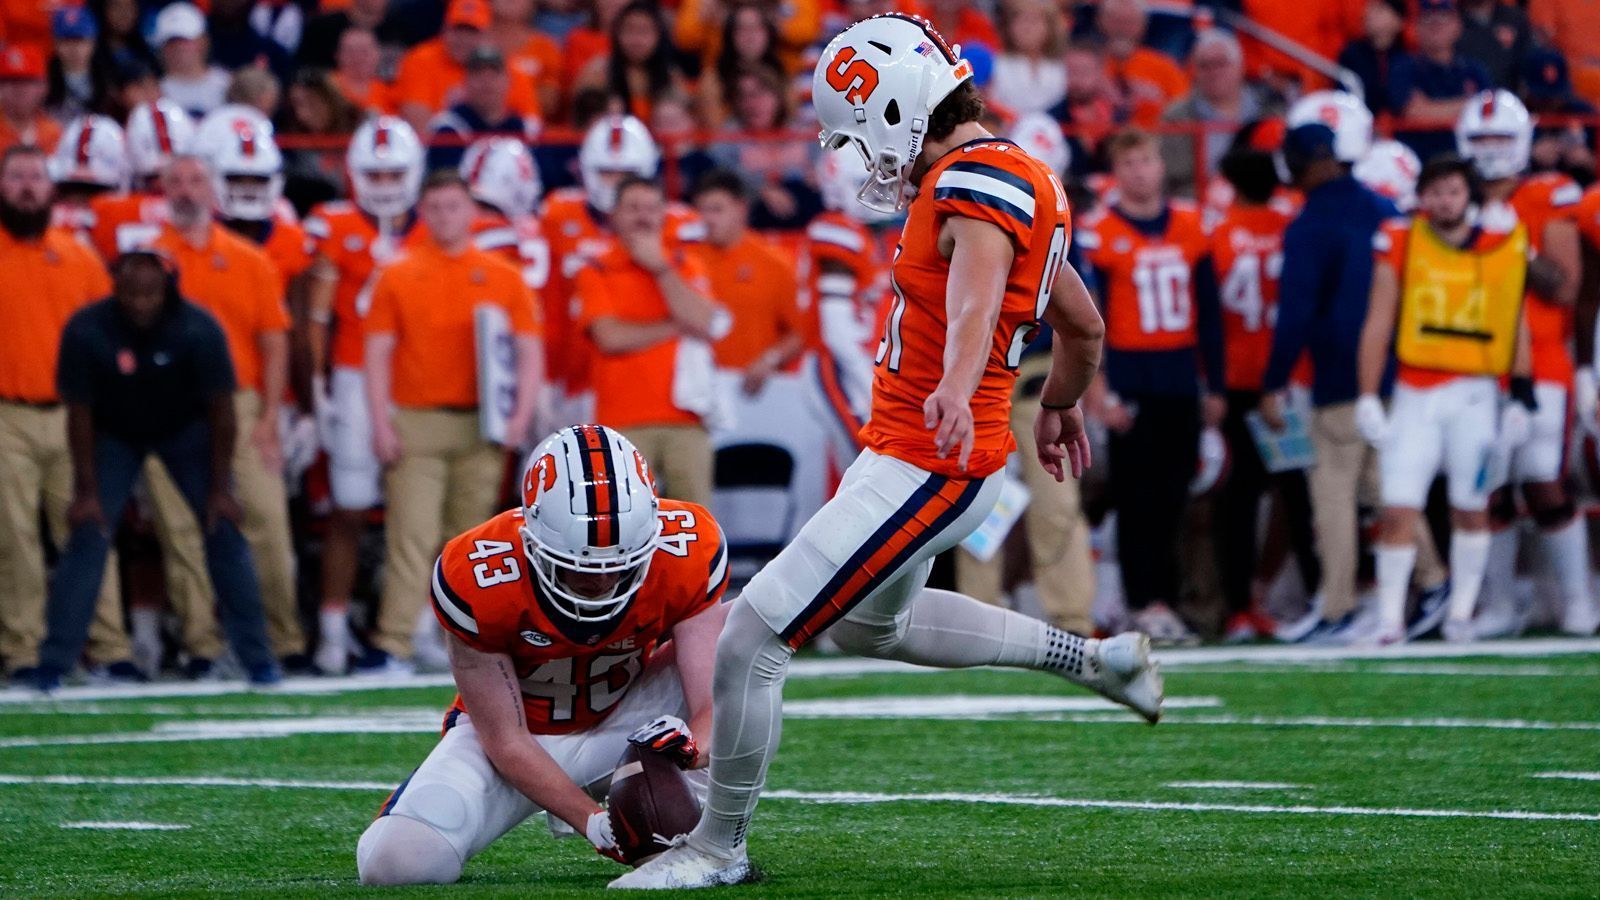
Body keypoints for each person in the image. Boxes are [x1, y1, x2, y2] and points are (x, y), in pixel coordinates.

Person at [614, 14, 1161, 889]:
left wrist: (957, 378)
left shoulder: (979, 178)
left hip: (930, 458)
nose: (863, 156)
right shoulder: (1019, 173)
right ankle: (1096, 660)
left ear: (904, 103)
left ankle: (719, 847)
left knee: (752, 635)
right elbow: (1083, 324)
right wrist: (1058, 401)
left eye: (861, 130)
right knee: (877, 626)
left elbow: (980, 296)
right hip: (928, 454)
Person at [354, 426, 729, 885]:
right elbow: (505, 740)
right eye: (579, 566)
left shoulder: (687, 548)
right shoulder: (479, 573)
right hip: (518, 736)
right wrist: (592, 821)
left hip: (631, 713)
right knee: (397, 865)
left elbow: (712, 702)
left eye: (622, 562)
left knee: (746, 638)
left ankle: (717, 838)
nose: (602, 582)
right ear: (532, 534)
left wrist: (690, 750)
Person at [31, 244, 279, 691]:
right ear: (116, 289)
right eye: (132, 295)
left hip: (186, 431)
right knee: (87, 533)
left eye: (150, 294)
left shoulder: (199, 328)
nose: (141, 304)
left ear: (167, 290)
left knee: (223, 528)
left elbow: (221, 409)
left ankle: (258, 658)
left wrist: (222, 487)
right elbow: (80, 413)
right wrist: (87, 491)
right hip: (113, 434)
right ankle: (54, 662)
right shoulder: (87, 329)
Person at [1259, 92, 1449, 644]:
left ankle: (1338, 604)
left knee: (1334, 492)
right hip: (1399, 370)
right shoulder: (1386, 211)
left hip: (1343, 377)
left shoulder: (1311, 223)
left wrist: (1274, 380)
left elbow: (1295, 314)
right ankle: (1434, 580)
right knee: (1386, 484)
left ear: (1314, 161)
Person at [363, 170, 543, 673]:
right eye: (435, 207)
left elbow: (528, 351)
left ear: (472, 212)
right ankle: (394, 640)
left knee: (470, 544)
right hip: (418, 418)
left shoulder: (503, 275)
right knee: (413, 535)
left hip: (480, 423)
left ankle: (462, 644)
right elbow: (376, 353)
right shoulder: (398, 274)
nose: (445, 217)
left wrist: (520, 418)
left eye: (454, 206)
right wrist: (380, 422)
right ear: (422, 213)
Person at [1359, 155, 1538, 645]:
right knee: (1398, 507)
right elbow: (1378, 320)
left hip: (1475, 395)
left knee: (1471, 506)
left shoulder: (1499, 243)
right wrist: (1368, 393)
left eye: (1453, 191)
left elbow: (1512, 320)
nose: (1444, 201)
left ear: (1470, 196)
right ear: (1421, 197)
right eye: (1435, 191)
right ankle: (1391, 619)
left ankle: (1460, 613)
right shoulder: (1401, 240)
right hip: (1416, 390)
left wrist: (1522, 392)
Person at [133, 154, 298, 676]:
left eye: (196, 179)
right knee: (181, 529)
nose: (186, 190)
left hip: (241, 403)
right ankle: (201, 646)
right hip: (166, 406)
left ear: (214, 189)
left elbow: (273, 341)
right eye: (175, 180)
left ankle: (281, 639)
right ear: (161, 189)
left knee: (266, 520)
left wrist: (272, 415)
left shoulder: (250, 259)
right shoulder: (145, 262)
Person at [1455, 91, 1595, 640]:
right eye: (1482, 140)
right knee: (1485, 487)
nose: (1491, 152)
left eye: (1500, 139)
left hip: (1540, 363)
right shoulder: (1448, 197)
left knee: (1542, 481)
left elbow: (1564, 288)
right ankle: (1500, 604)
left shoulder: (1547, 196)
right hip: (1471, 364)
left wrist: (1510, 243)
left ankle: (1579, 602)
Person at [0, 145, 136, 685]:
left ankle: (109, 647)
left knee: (90, 532)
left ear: (52, 188)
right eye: (17, 177)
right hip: (7, 412)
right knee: (14, 537)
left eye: (36, 176)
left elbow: (110, 335)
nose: (28, 186)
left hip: (78, 418)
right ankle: (24, 648)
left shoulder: (78, 255)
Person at [1078, 128, 1218, 645]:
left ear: (1162, 165)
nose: (1140, 171)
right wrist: (1100, 386)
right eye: (1130, 162)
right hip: (1131, 374)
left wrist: (1215, 385)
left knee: (1176, 495)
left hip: (1180, 375)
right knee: (1137, 498)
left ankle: (1164, 599)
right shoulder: (1099, 232)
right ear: (1117, 172)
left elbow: (1210, 314)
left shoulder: (1191, 225)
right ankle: (1142, 602)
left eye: (1147, 160)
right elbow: (1092, 318)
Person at [303, 116, 424, 675]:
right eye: (374, 171)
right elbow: (317, 318)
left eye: (394, 170)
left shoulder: (434, 226)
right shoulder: (336, 225)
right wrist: (318, 389)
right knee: (349, 510)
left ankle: (421, 624)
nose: (383, 181)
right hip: (354, 380)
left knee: (416, 516)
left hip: (418, 384)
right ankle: (331, 626)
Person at [1206, 126, 1321, 642]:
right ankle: (1323, 596)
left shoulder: (1217, 233)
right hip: (1289, 377)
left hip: (1236, 379)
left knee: (1240, 498)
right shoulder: (1295, 225)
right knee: (1300, 495)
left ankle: (1239, 607)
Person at [539, 114, 703, 433]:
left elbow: (706, 309)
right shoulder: (560, 215)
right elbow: (551, 304)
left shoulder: (680, 226)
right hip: (576, 378)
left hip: (659, 385)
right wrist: (547, 376)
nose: (615, 182)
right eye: (607, 172)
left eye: (626, 173)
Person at [575, 176, 726, 507]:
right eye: (632, 208)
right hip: (621, 423)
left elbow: (705, 322)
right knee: (623, 523)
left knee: (696, 523)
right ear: (613, 215)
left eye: (651, 208)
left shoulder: (684, 264)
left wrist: (660, 269)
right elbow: (610, 337)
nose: (643, 217)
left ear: (663, 215)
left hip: (686, 418)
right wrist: (676, 325)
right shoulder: (596, 269)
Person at [803, 146, 887, 469]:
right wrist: (873, 386)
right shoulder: (836, 230)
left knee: (870, 471)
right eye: (867, 183)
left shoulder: (859, 232)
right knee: (868, 468)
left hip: (853, 364)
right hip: (836, 365)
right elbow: (836, 330)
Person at [691, 169, 805, 397]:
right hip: (699, 390)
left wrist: (769, 360)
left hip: (759, 391)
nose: (708, 219)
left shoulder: (774, 263)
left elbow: (799, 332)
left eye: (717, 209)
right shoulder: (686, 260)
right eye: (702, 210)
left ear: (741, 208)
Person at [392, 0, 540, 134]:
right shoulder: (420, 60)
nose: (463, 40)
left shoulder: (505, 68)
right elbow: (419, 129)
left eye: (472, 32)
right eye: (458, 30)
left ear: (487, 35)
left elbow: (532, 128)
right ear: (444, 30)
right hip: (442, 152)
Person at [1159, 29, 1262, 197]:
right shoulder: (1176, 117)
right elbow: (1172, 178)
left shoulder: (1268, 109)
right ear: (1195, 72)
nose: (1213, 72)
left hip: (1258, 205)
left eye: (1221, 63)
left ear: (1240, 66)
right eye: (1204, 65)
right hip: (1198, 206)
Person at [1389, 0, 1491, 162]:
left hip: (1467, 159)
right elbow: (1415, 113)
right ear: (1416, 27)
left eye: (1444, 20)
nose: (1436, 26)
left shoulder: (1474, 70)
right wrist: (1469, 104)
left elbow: (1487, 113)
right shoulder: (1403, 67)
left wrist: (1431, 108)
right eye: (1428, 20)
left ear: (1458, 26)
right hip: (1418, 158)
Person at [573, 1, 689, 124]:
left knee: (669, 113)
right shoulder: (598, 71)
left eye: (644, 31)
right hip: (612, 140)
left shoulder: (671, 74)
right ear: (617, 34)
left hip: (657, 141)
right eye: (630, 30)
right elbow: (581, 120)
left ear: (659, 36)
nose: (636, 39)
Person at [425, 46, 536, 172]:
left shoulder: (526, 128)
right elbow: (443, 181)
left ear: (509, 81)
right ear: (465, 82)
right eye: (478, 73)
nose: (486, 81)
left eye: (494, 74)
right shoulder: (448, 127)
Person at [1097, 0, 1188, 127]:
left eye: (1129, 22)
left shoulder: (1164, 67)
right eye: (1116, 20)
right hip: (1099, 139)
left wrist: (1157, 98)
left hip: (1151, 140)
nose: (1122, 28)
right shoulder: (1087, 64)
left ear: (1142, 26)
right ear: (1101, 22)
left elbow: (1185, 111)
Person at [987, 0, 1066, 118]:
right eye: (1020, 21)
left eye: (1034, 21)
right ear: (1009, 27)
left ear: (1050, 28)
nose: (1027, 28)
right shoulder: (996, 64)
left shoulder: (1060, 68)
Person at [152, 2, 231, 118]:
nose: (179, 48)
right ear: (162, 49)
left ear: (203, 41)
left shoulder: (226, 84)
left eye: (185, 41)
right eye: (172, 42)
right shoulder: (155, 92)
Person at [1339, 0, 1411, 117]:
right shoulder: (1351, 55)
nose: (1368, 14)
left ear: (1399, 20)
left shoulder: (1409, 57)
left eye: (1379, 9)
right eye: (1369, 8)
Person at [0, 44, 60, 155]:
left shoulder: (54, 133)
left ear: (44, 86)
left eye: (27, 81)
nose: (19, 89)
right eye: (11, 81)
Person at [329, 27, 395, 116]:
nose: (357, 58)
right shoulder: (326, 87)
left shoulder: (391, 92)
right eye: (350, 51)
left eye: (364, 52)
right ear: (337, 55)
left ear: (378, 55)